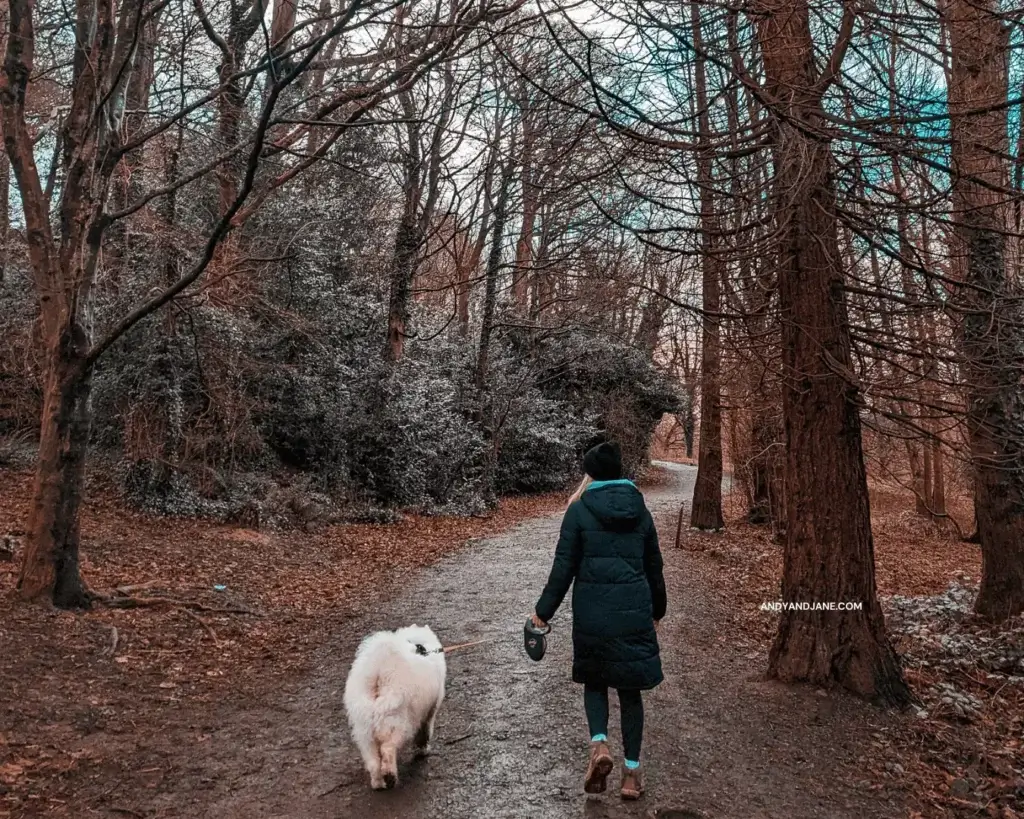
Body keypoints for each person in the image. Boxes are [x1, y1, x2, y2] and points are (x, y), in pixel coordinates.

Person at [530, 441, 666, 801]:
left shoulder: (578, 511)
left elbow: (563, 568)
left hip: (592, 615)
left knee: (596, 681)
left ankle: (600, 746)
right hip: (634, 613)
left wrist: (542, 613)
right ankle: (631, 775)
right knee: (630, 691)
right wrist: (658, 609)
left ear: (590, 474)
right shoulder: (641, 509)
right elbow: (654, 564)